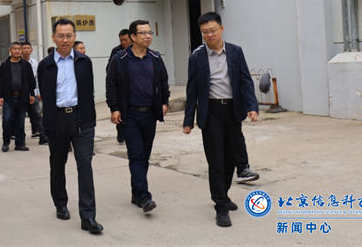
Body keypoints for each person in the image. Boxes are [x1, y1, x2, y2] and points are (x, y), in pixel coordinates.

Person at [183, 12, 259, 227]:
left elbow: (245, 81)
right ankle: (221, 206)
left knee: (230, 158)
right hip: (211, 111)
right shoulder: (196, 57)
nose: (209, 35)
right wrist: (188, 120)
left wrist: (252, 107)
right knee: (215, 160)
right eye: (205, 32)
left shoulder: (235, 52)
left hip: (233, 110)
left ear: (221, 29)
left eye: (213, 30)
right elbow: (192, 90)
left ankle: (223, 195)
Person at [38, 18, 103, 234]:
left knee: (85, 165)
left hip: (81, 119)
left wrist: (89, 118)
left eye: (68, 36)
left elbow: (89, 90)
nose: (65, 40)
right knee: (58, 164)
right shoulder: (45, 65)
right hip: (57, 120)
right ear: (53, 38)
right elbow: (45, 95)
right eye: (60, 36)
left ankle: (88, 216)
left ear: (74, 37)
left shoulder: (84, 61)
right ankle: (60, 203)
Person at [106, 20, 169, 213]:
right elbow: (111, 84)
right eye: (143, 33)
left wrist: (164, 102)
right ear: (133, 36)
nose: (148, 36)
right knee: (137, 155)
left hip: (150, 114)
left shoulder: (155, 58)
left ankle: (136, 193)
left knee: (145, 156)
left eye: (149, 33)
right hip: (130, 115)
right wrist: (114, 108)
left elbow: (163, 81)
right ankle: (144, 196)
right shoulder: (120, 58)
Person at [0, 42, 37, 152]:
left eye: (19, 49)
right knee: (7, 119)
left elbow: (31, 80)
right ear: (10, 50)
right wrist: (0, 96)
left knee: (20, 121)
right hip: (8, 98)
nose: (17, 51)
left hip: (22, 97)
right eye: (15, 49)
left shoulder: (25, 64)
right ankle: (6, 142)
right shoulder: (5, 64)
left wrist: (32, 94)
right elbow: (0, 81)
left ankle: (20, 143)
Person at [106, 29, 131, 144]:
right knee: (120, 111)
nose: (123, 42)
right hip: (120, 87)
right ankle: (120, 131)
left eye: (126, 40)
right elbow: (109, 69)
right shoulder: (116, 52)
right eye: (121, 40)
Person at [20, 41, 48, 145]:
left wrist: (38, 92)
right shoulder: (16, 62)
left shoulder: (35, 63)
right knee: (20, 117)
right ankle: (20, 138)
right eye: (24, 48)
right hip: (20, 95)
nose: (26, 50)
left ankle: (42, 136)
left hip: (33, 93)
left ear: (31, 50)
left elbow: (37, 79)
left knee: (37, 114)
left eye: (28, 48)